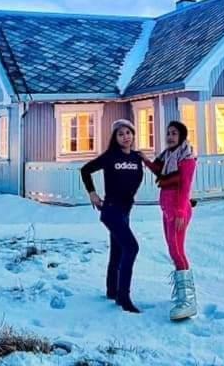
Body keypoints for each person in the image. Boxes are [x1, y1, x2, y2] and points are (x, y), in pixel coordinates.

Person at [80, 119, 146, 313]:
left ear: (133, 134)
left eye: (128, 132)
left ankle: (112, 290)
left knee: (117, 251)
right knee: (131, 247)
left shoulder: (137, 157)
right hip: (110, 210)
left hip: (125, 211)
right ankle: (123, 297)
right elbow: (85, 170)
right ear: (115, 138)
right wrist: (92, 193)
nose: (125, 136)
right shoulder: (110, 157)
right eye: (120, 134)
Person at [145, 120, 198, 320]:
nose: (170, 137)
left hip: (178, 211)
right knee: (172, 250)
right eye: (168, 133)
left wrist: (180, 212)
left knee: (177, 251)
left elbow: (185, 188)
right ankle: (182, 294)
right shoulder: (167, 156)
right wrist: (142, 157)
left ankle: (188, 300)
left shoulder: (186, 159)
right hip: (167, 210)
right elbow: (156, 169)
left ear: (182, 136)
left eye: (174, 133)